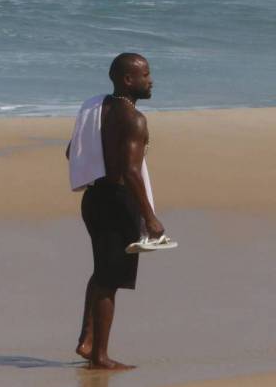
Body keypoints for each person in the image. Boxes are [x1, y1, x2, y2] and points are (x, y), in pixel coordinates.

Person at [67, 53, 164, 370]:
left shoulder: (95, 109)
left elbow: (71, 151)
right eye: (145, 75)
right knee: (110, 280)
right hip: (118, 202)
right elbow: (131, 171)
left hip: (93, 198)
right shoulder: (134, 119)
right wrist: (149, 217)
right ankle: (100, 356)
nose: (150, 80)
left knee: (101, 270)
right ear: (127, 79)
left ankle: (87, 339)